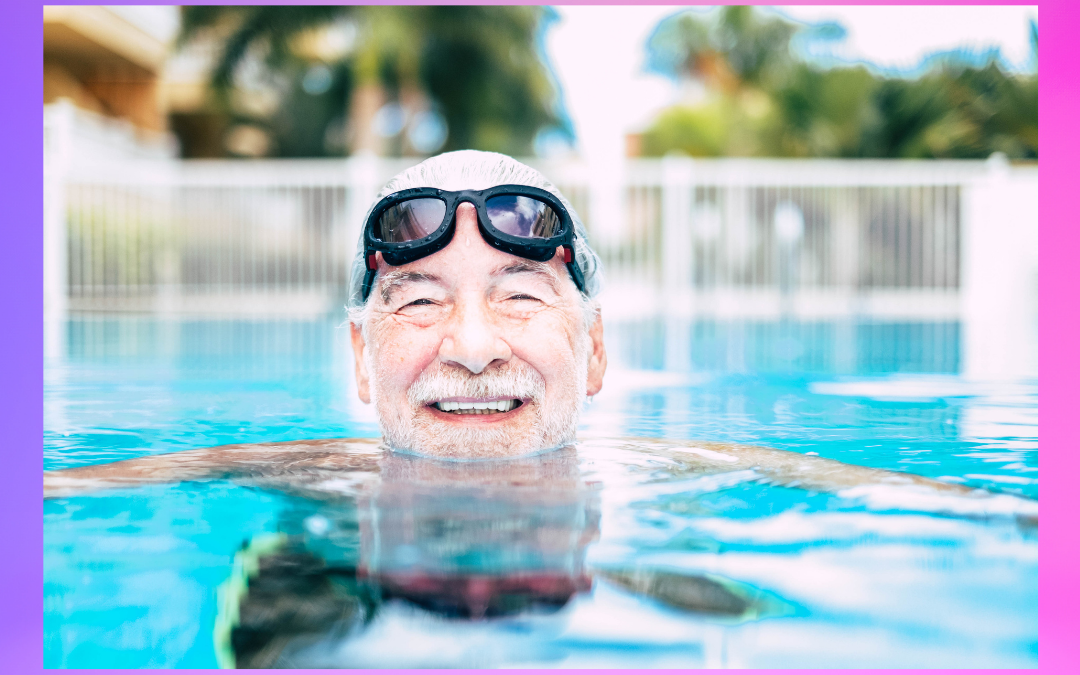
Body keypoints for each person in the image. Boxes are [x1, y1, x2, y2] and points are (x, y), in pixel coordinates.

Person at [42, 150, 1036, 526]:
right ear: (357, 360)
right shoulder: (289, 468)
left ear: (596, 352)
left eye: (521, 296)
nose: (472, 346)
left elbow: (957, 511)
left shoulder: (684, 470)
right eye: (419, 302)